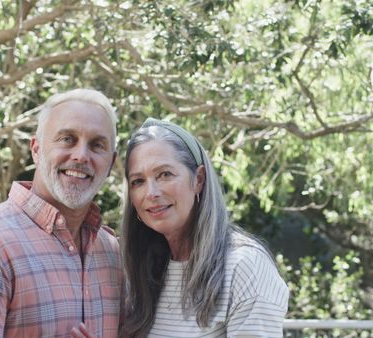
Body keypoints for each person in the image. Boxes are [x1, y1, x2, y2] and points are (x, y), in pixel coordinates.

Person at [0, 88, 125, 338]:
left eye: (96, 145)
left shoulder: (112, 254)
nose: (81, 155)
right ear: (36, 149)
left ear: (110, 164)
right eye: (67, 139)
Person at [119, 118, 289, 337]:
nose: (151, 193)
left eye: (165, 174)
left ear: (198, 179)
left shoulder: (245, 267)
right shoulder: (139, 270)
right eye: (138, 181)